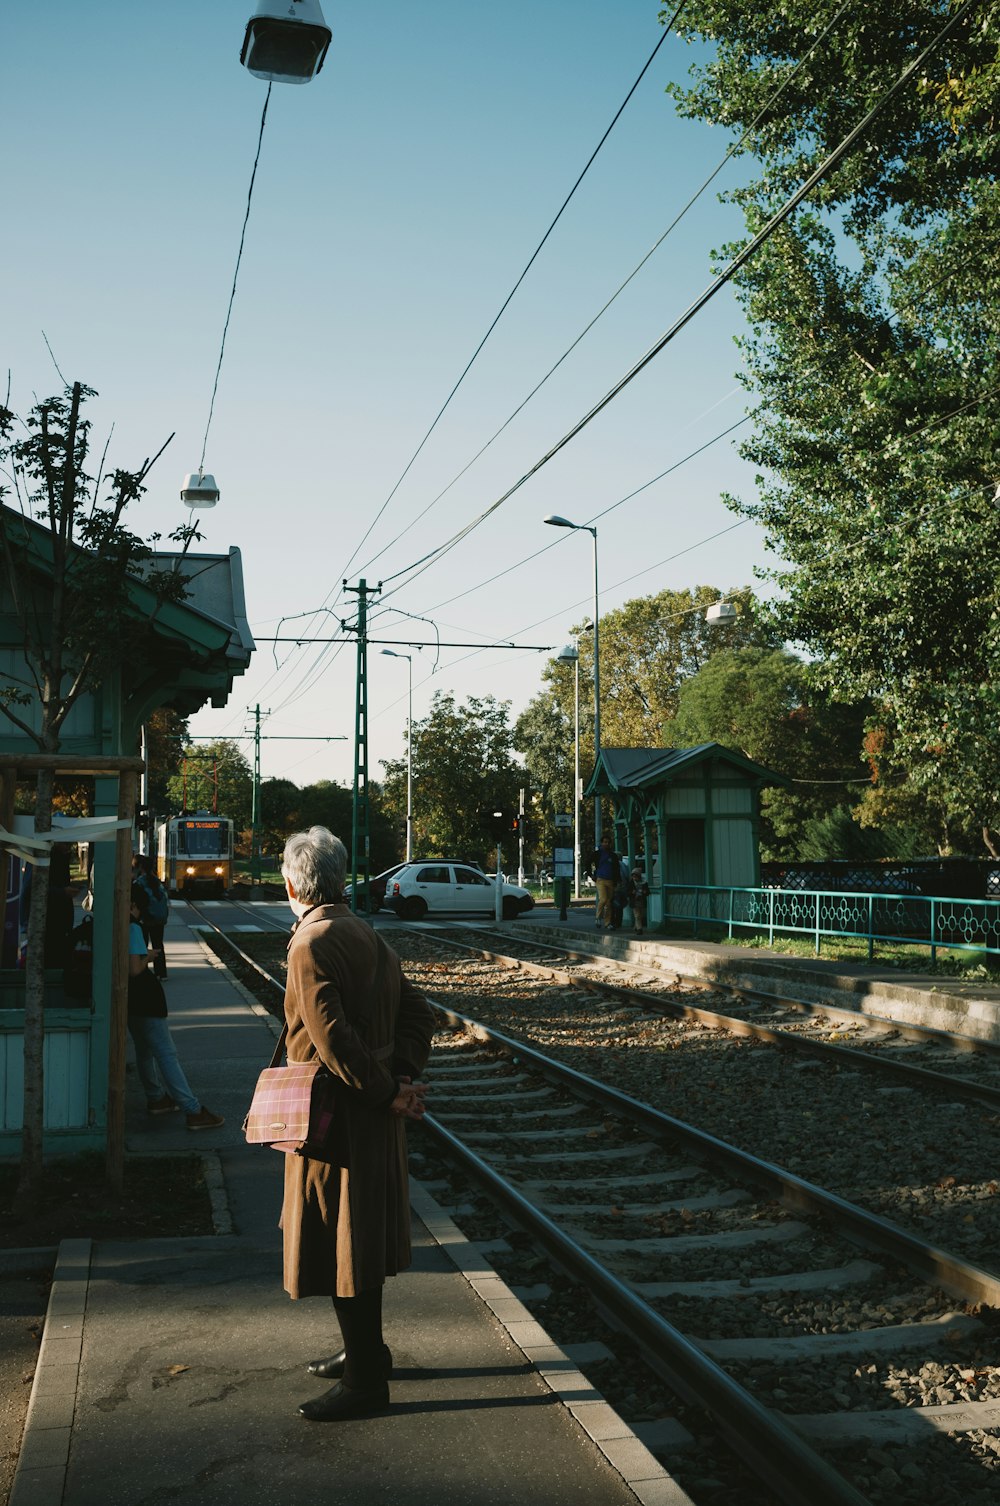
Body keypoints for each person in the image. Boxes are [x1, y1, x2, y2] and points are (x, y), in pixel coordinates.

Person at [280, 825, 434, 1424]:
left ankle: (366, 1381)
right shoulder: (364, 931)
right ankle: (365, 1352)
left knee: (341, 1240)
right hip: (369, 1116)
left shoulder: (308, 942)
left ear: (293, 882)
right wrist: (399, 1078)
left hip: (335, 1124)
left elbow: (330, 1039)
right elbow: (420, 1013)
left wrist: (384, 1092)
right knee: (359, 1239)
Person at [127, 884, 224, 1130]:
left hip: (132, 1002)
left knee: (144, 1051)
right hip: (145, 1001)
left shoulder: (118, 926)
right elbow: (134, 969)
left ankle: (157, 1098)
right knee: (166, 1054)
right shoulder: (133, 927)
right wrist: (148, 957)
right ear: (134, 906)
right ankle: (192, 1109)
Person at [132, 853, 170, 978]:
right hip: (159, 919)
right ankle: (161, 973)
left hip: (146, 918)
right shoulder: (157, 881)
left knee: (142, 946)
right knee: (158, 944)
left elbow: (139, 900)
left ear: (141, 867)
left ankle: (143, 971)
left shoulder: (139, 882)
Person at [587, 834, 622, 928]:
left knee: (609, 902)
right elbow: (588, 862)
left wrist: (618, 880)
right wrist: (591, 875)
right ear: (601, 843)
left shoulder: (613, 856)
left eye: (608, 842)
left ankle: (608, 922)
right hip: (600, 879)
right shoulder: (597, 854)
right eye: (604, 842)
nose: (606, 844)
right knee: (603, 899)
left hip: (611, 880)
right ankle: (598, 917)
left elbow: (617, 869)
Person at [628, 866, 650, 936]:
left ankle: (636, 926)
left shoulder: (644, 882)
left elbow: (648, 892)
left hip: (641, 900)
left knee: (640, 915)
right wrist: (632, 892)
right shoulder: (631, 883)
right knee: (637, 915)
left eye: (636, 876)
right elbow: (627, 892)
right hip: (634, 901)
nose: (634, 878)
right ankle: (639, 929)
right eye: (633, 876)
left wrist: (645, 892)